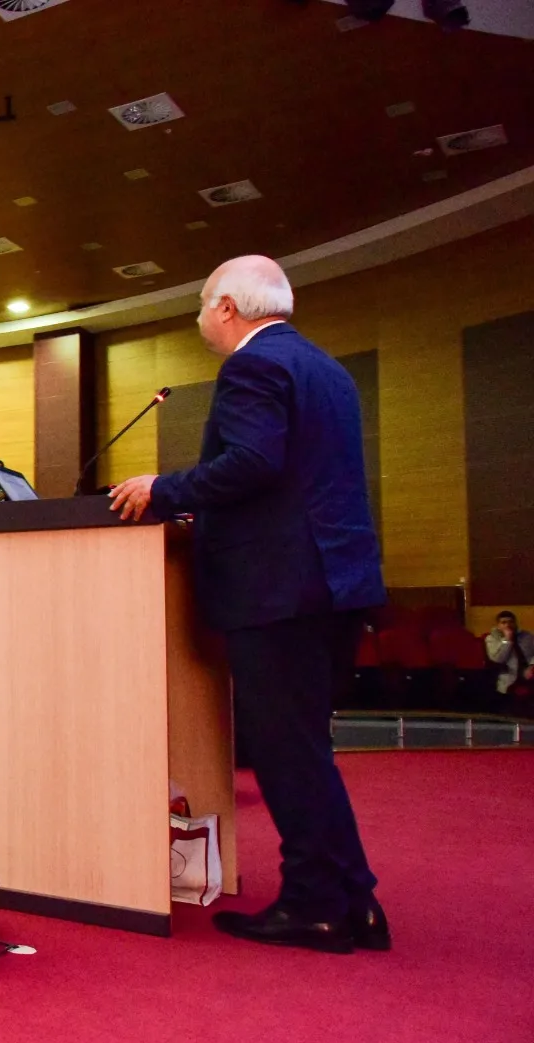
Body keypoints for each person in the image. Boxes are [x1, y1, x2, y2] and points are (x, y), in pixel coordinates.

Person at [108, 254, 387, 954]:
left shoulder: (251, 367)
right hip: (333, 581)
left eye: (203, 304)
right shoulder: (329, 370)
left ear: (228, 307)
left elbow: (255, 462)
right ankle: (354, 899)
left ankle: (315, 906)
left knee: (283, 750)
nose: (200, 316)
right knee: (306, 748)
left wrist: (164, 488)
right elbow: (293, 478)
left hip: (279, 588)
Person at [486, 612, 534, 700]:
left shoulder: (527, 636)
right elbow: (498, 659)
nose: (508, 625)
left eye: (511, 622)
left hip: (529, 675)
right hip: (509, 678)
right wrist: (507, 640)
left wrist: (532, 666)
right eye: (503, 622)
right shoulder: (492, 639)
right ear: (498, 625)